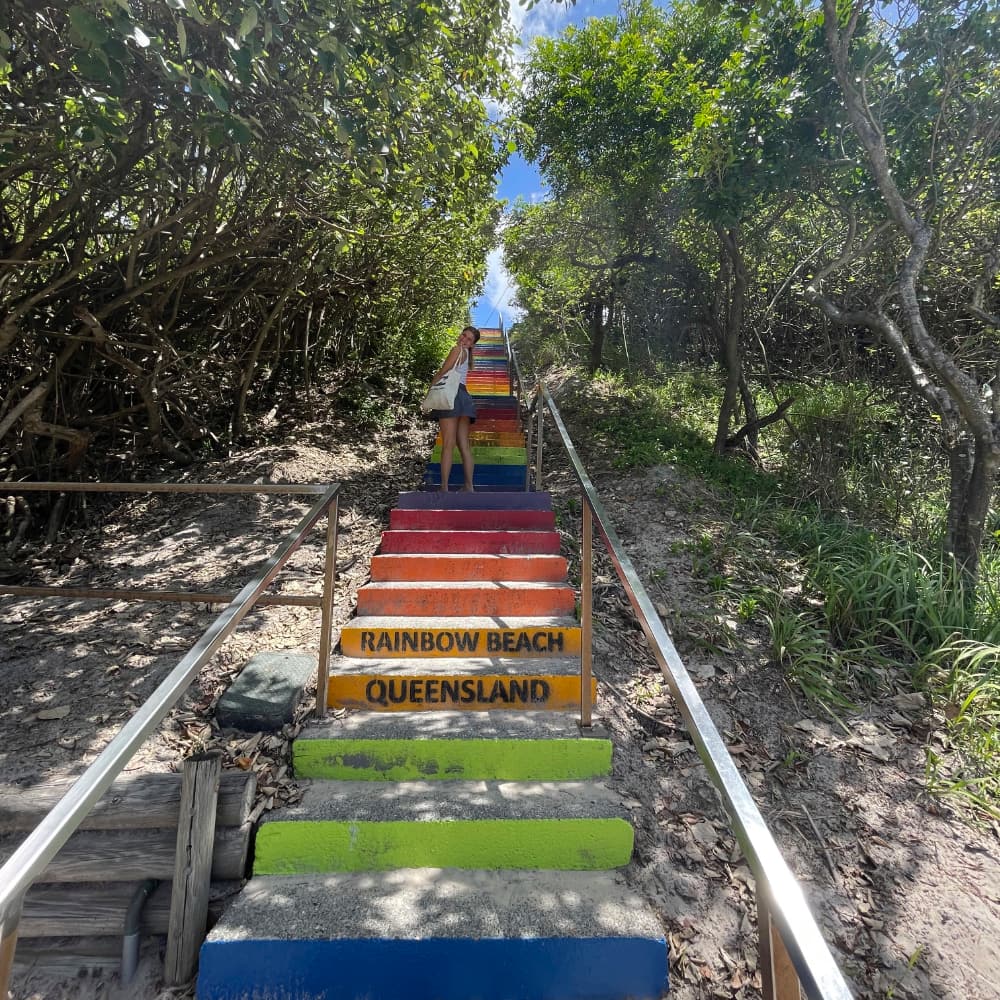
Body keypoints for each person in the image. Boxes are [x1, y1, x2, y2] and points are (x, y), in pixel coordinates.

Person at [428, 325, 480, 491]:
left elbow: (443, 372)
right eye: (464, 335)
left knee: (448, 443)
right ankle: (469, 486)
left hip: (452, 394)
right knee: (463, 445)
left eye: (468, 339)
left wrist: (430, 390)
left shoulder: (457, 350)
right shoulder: (467, 355)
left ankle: (444, 487)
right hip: (464, 397)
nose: (464, 339)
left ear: (472, 344)